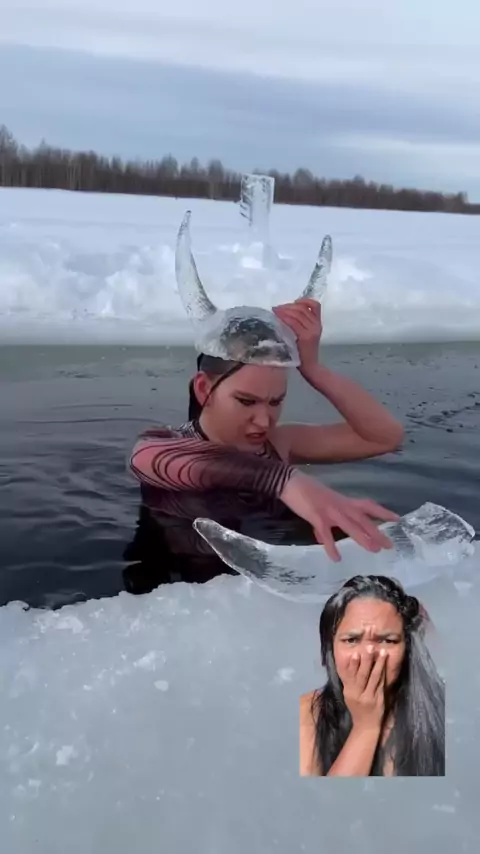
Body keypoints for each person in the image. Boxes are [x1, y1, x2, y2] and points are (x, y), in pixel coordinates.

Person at [127, 298, 404, 586]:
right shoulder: (163, 443)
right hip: (180, 593)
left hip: (270, 584)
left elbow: (383, 437)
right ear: (203, 388)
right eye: (246, 401)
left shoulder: (278, 444)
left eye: (275, 402)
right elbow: (143, 459)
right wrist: (283, 480)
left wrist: (314, 370)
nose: (263, 421)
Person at [299, 575, 445, 777]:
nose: (368, 654)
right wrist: (366, 726)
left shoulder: (443, 710)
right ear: (331, 648)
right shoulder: (309, 711)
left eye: (387, 640)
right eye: (351, 640)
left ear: (408, 649)